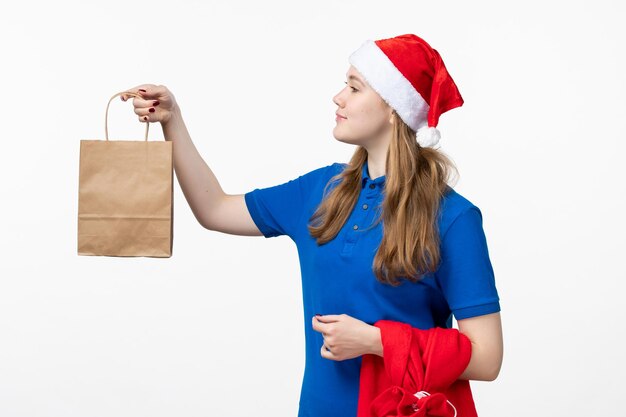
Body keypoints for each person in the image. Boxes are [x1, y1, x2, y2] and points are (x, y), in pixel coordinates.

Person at [121, 33, 503, 417]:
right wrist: (173, 121)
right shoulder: (322, 191)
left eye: (354, 87)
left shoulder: (453, 218)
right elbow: (214, 208)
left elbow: (487, 358)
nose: (338, 97)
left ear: (393, 108)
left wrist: (376, 341)